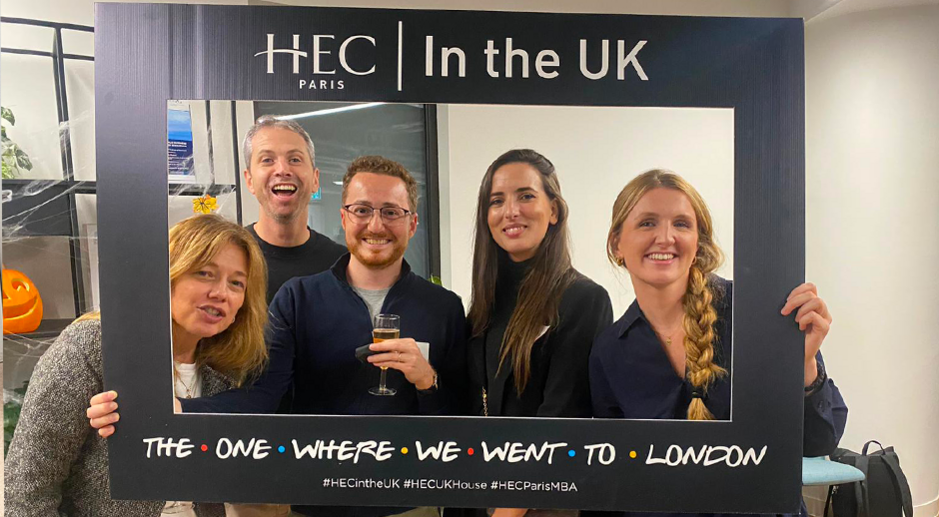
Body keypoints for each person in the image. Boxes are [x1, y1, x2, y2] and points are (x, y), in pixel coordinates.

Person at [91, 156, 466, 517]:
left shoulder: (443, 307)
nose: (376, 225)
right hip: (313, 500)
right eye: (362, 210)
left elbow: (461, 423)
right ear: (344, 217)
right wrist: (178, 410)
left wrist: (427, 381)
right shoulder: (298, 297)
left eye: (391, 212)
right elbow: (263, 395)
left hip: (406, 502)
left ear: (412, 223)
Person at [587, 169, 848, 517]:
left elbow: (819, 441)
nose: (665, 237)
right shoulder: (609, 350)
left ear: (698, 242)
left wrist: (802, 366)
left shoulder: (760, 312)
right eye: (647, 223)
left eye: (681, 224)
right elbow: (615, 473)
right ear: (617, 244)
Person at [5, 214, 269, 517]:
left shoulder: (227, 371)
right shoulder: (94, 345)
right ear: (167, 274)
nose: (221, 292)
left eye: (236, 283)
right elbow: (28, 486)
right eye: (205, 273)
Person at [466, 149, 613, 517]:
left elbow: (560, 420)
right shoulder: (485, 304)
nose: (510, 211)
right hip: (481, 491)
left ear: (554, 211)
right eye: (496, 201)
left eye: (526, 196)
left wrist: (506, 511)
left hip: (539, 501)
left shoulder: (583, 299)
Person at [240, 114, 346, 303]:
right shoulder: (230, 259)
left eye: (295, 159)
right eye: (267, 160)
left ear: (315, 180)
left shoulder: (342, 265)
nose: (282, 169)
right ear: (249, 180)